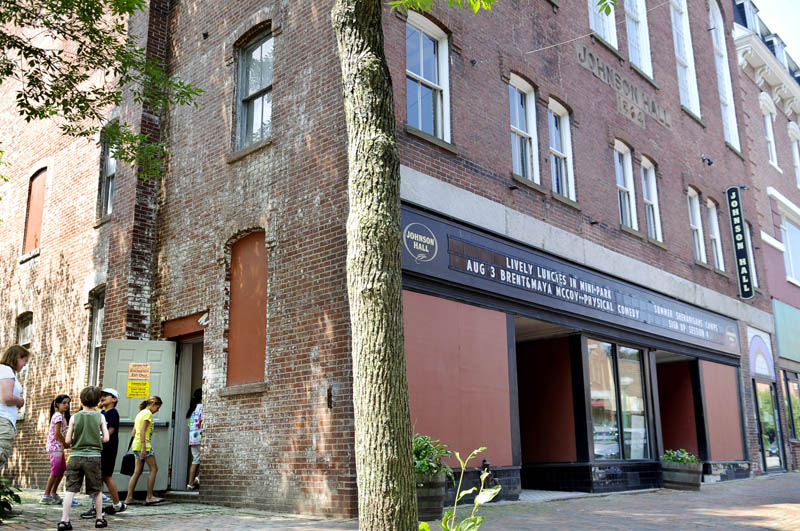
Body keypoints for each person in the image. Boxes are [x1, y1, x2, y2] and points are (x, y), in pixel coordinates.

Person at [58, 386, 109, 530]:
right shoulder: (101, 416)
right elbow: (106, 438)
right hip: (93, 457)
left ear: (81, 400)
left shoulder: (74, 417)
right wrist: (96, 437)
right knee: (96, 490)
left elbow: (67, 440)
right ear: (98, 401)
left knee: (70, 490)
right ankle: (99, 519)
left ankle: (64, 520)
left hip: (75, 457)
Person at [81, 388, 126, 519]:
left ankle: (114, 504)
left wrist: (97, 440)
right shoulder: (101, 413)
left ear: (115, 399)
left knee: (106, 476)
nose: (103, 397)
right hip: (100, 448)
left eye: (107, 395)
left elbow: (110, 431)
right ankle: (103, 506)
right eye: (102, 395)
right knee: (99, 477)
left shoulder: (113, 413)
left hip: (108, 449)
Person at [124, 396, 164, 505]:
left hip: (136, 445)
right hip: (144, 445)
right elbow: (142, 431)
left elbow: (134, 432)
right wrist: (143, 447)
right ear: (153, 404)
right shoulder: (147, 414)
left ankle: (129, 498)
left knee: (137, 471)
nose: (157, 410)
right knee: (154, 469)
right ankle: (149, 497)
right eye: (158, 407)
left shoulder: (140, 413)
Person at [0, 345, 31, 472]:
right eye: (25, 361)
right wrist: (20, 400)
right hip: (3, 421)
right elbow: (6, 398)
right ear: (18, 357)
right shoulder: (6, 370)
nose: (24, 365)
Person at [41, 394, 70, 505]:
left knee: (62, 469)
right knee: (55, 471)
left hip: (59, 447)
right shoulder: (58, 415)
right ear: (57, 404)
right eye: (64, 403)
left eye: (68, 403)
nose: (67, 405)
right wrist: (65, 443)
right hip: (55, 447)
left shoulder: (60, 416)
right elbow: (57, 433)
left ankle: (53, 493)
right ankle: (46, 496)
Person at [186, 388, 202, 490]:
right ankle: (198, 478)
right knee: (206, 459)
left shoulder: (191, 409)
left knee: (195, 460)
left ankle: (190, 484)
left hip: (192, 438)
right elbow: (202, 420)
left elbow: (189, 425)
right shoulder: (202, 407)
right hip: (201, 436)